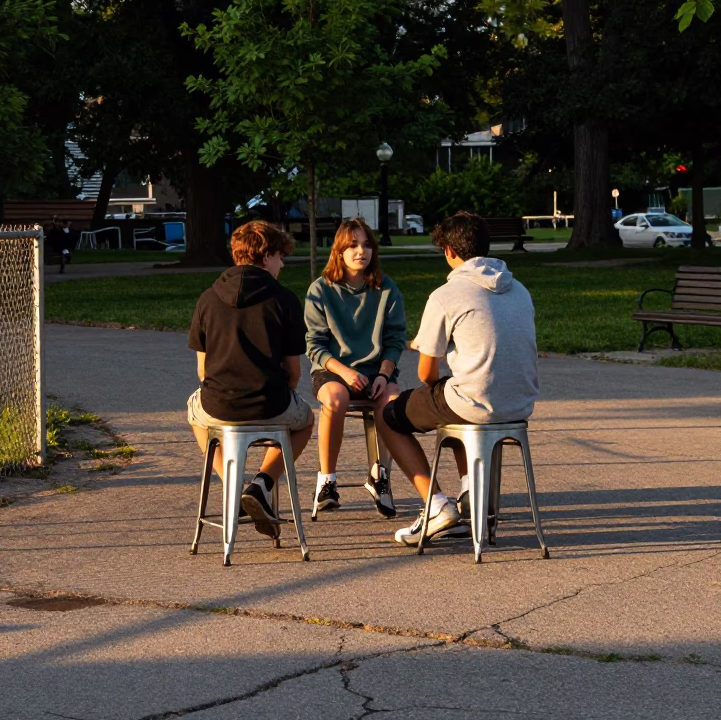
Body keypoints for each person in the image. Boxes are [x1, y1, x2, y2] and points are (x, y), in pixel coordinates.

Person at [378, 210, 539, 545]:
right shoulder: (519, 288)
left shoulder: (445, 295)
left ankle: (437, 506)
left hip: (476, 401)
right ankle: (470, 493)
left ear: (449, 251)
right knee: (451, 400)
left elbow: (426, 373)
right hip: (520, 403)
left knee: (389, 414)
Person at [187, 219, 315, 539]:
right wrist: (276, 410)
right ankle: (262, 483)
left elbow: (202, 371)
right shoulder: (284, 299)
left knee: (194, 413)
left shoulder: (207, 298)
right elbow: (294, 372)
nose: (282, 264)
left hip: (218, 404)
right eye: (280, 257)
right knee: (306, 420)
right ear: (267, 256)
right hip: (270, 402)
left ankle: (231, 483)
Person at [304, 218, 406, 518]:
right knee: (336, 399)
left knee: (390, 401)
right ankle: (327, 481)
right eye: (353, 245)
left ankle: (379, 477)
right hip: (333, 370)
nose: (361, 251)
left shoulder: (386, 288)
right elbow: (315, 346)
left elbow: (394, 340)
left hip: (377, 370)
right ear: (339, 251)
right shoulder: (320, 290)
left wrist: (385, 374)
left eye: (366, 245)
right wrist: (346, 372)